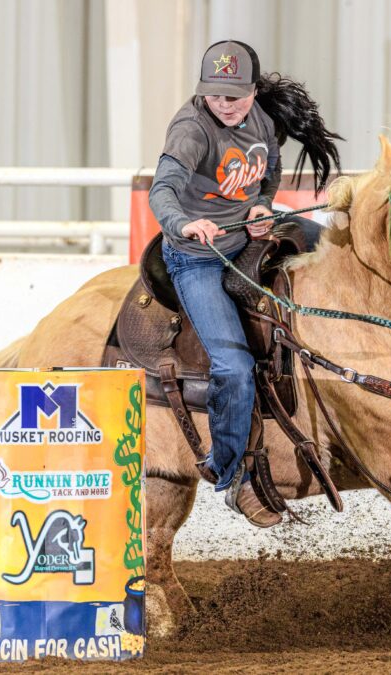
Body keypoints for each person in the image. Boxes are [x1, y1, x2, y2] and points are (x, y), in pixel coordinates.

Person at [148, 40, 342, 527]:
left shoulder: (262, 121)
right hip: (197, 256)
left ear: (253, 92)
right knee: (233, 366)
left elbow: (269, 172)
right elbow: (162, 190)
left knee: (338, 252)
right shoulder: (191, 129)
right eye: (215, 94)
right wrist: (184, 224)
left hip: (248, 235)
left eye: (234, 96)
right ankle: (232, 472)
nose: (224, 104)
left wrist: (261, 205)